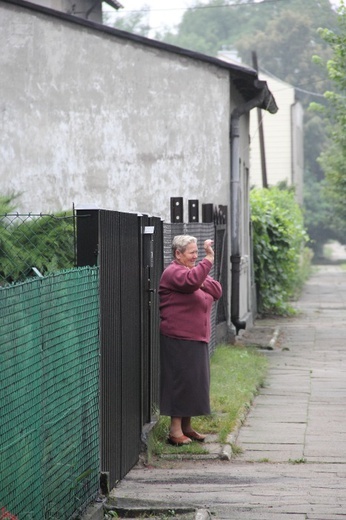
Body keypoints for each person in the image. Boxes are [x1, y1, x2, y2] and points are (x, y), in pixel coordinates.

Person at [159, 235, 222, 446]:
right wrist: (208, 260)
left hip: (197, 337)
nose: (196, 256)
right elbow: (192, 282)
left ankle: (186, 427)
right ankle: (174, 431)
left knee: (193, 384)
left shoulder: (192, 273)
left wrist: (200, 278)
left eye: (197, 252)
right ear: (178, 253)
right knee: (180, 383)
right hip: (179, 337)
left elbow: (217, 291)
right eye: (192, 252)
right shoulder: (173, 272)